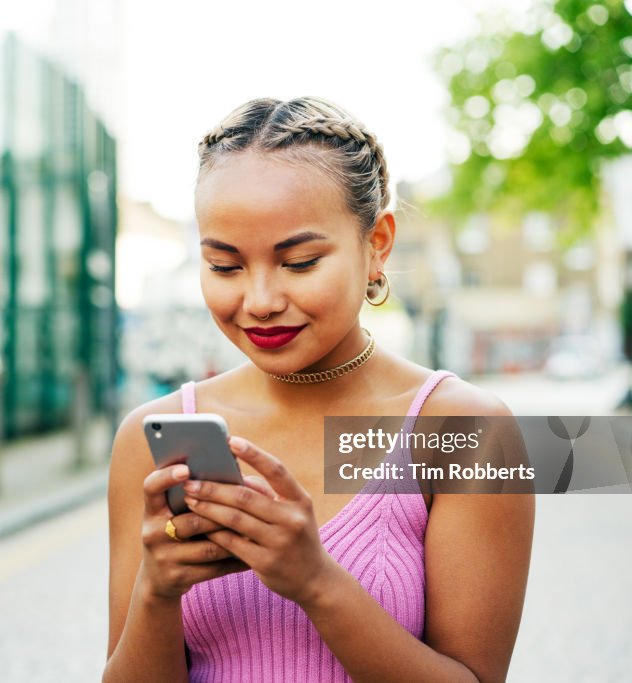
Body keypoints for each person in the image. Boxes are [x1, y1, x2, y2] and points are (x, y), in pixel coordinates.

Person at [103, 96, 534, 682]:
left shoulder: (464, 432)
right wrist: (156, 590)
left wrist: (315, 582)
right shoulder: (150, 438)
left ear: (377, 243)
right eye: (225, 266)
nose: (259, 301)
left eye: (300, 262)